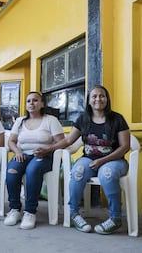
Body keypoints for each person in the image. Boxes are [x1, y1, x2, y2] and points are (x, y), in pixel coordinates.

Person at [35, 85, 130, 235]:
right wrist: (47, 150)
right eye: (94, 96)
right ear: (89, 101)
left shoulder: (117, 119)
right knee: (78, 171)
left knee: (107, 174)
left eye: (102, 96)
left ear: (107, 99)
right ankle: (74, 214)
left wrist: (103, 160)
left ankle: (115, 218)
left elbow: (125, 147)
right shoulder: (83, 119)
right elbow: (67, 142)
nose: (98, 99)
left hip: (115, 160)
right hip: (89, 159)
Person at [3, 92, 64, 229]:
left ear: (42, 104)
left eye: (35, 100)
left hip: (45, 156)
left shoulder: (50, 120)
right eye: (28, 101)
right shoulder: (20, 121)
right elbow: (11, 141)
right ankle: (15, 209)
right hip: (23, 154)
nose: (31, 103)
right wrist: (17, 151)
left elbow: (62, 142)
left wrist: (47, 149)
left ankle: (30, 212)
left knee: (32, 171)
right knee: (12, 171)